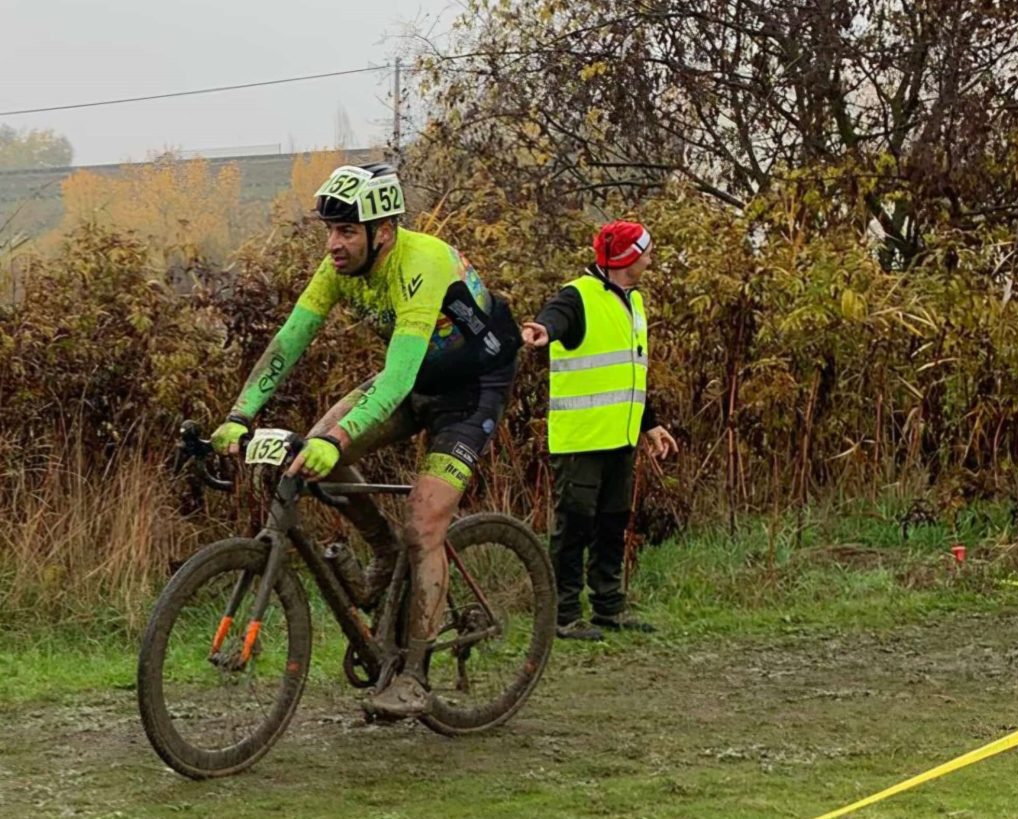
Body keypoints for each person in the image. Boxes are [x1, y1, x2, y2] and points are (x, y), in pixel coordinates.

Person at [210, 163, 521, 715]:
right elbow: (291, 339)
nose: (333, 244)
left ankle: (416, 676)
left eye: (346, 231)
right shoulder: (338, 268)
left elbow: (397, 378)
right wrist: (239, 414)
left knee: (424, 521)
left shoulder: (420, 263)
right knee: (314, 453)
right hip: (415, 377)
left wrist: (341, 435)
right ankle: (380, 549)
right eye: (329, 230)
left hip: (472, 390)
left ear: (385, 231)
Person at [522, 220, 678, 640]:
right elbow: (554, 319)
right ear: (628, 259)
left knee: (613, 523)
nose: (650, 258)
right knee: (573, 527)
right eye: (645, 251)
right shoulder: (577, 296)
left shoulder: (634, 301)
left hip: (621, 437)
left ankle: (609, 608)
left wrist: (651, 425)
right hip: (580, 439)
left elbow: (631, 373)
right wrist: (542, 330)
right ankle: (564, 615)